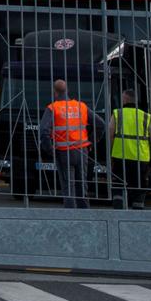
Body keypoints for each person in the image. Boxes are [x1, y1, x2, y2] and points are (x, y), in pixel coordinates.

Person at [41, 79, 100, 209]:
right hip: (82, 150)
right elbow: (100, 124)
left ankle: (71, 217)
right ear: (67, 90)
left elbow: (44, 131)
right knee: (82, 185)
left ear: (55, 92)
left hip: (64, 152)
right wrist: (91, 141)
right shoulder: (81, 106)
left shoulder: (53, 108)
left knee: (69, 187)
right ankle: (85, 215)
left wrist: (50, 150)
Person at [109, 89, 151, 209]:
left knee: (118, 187)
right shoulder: (146, 116)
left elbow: (110, 135)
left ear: (125, 100)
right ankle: (137, 214)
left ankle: (119, 212)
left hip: (120, 157)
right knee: (139, 188)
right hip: (141, 159)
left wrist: (111, 154)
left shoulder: (117, 114)